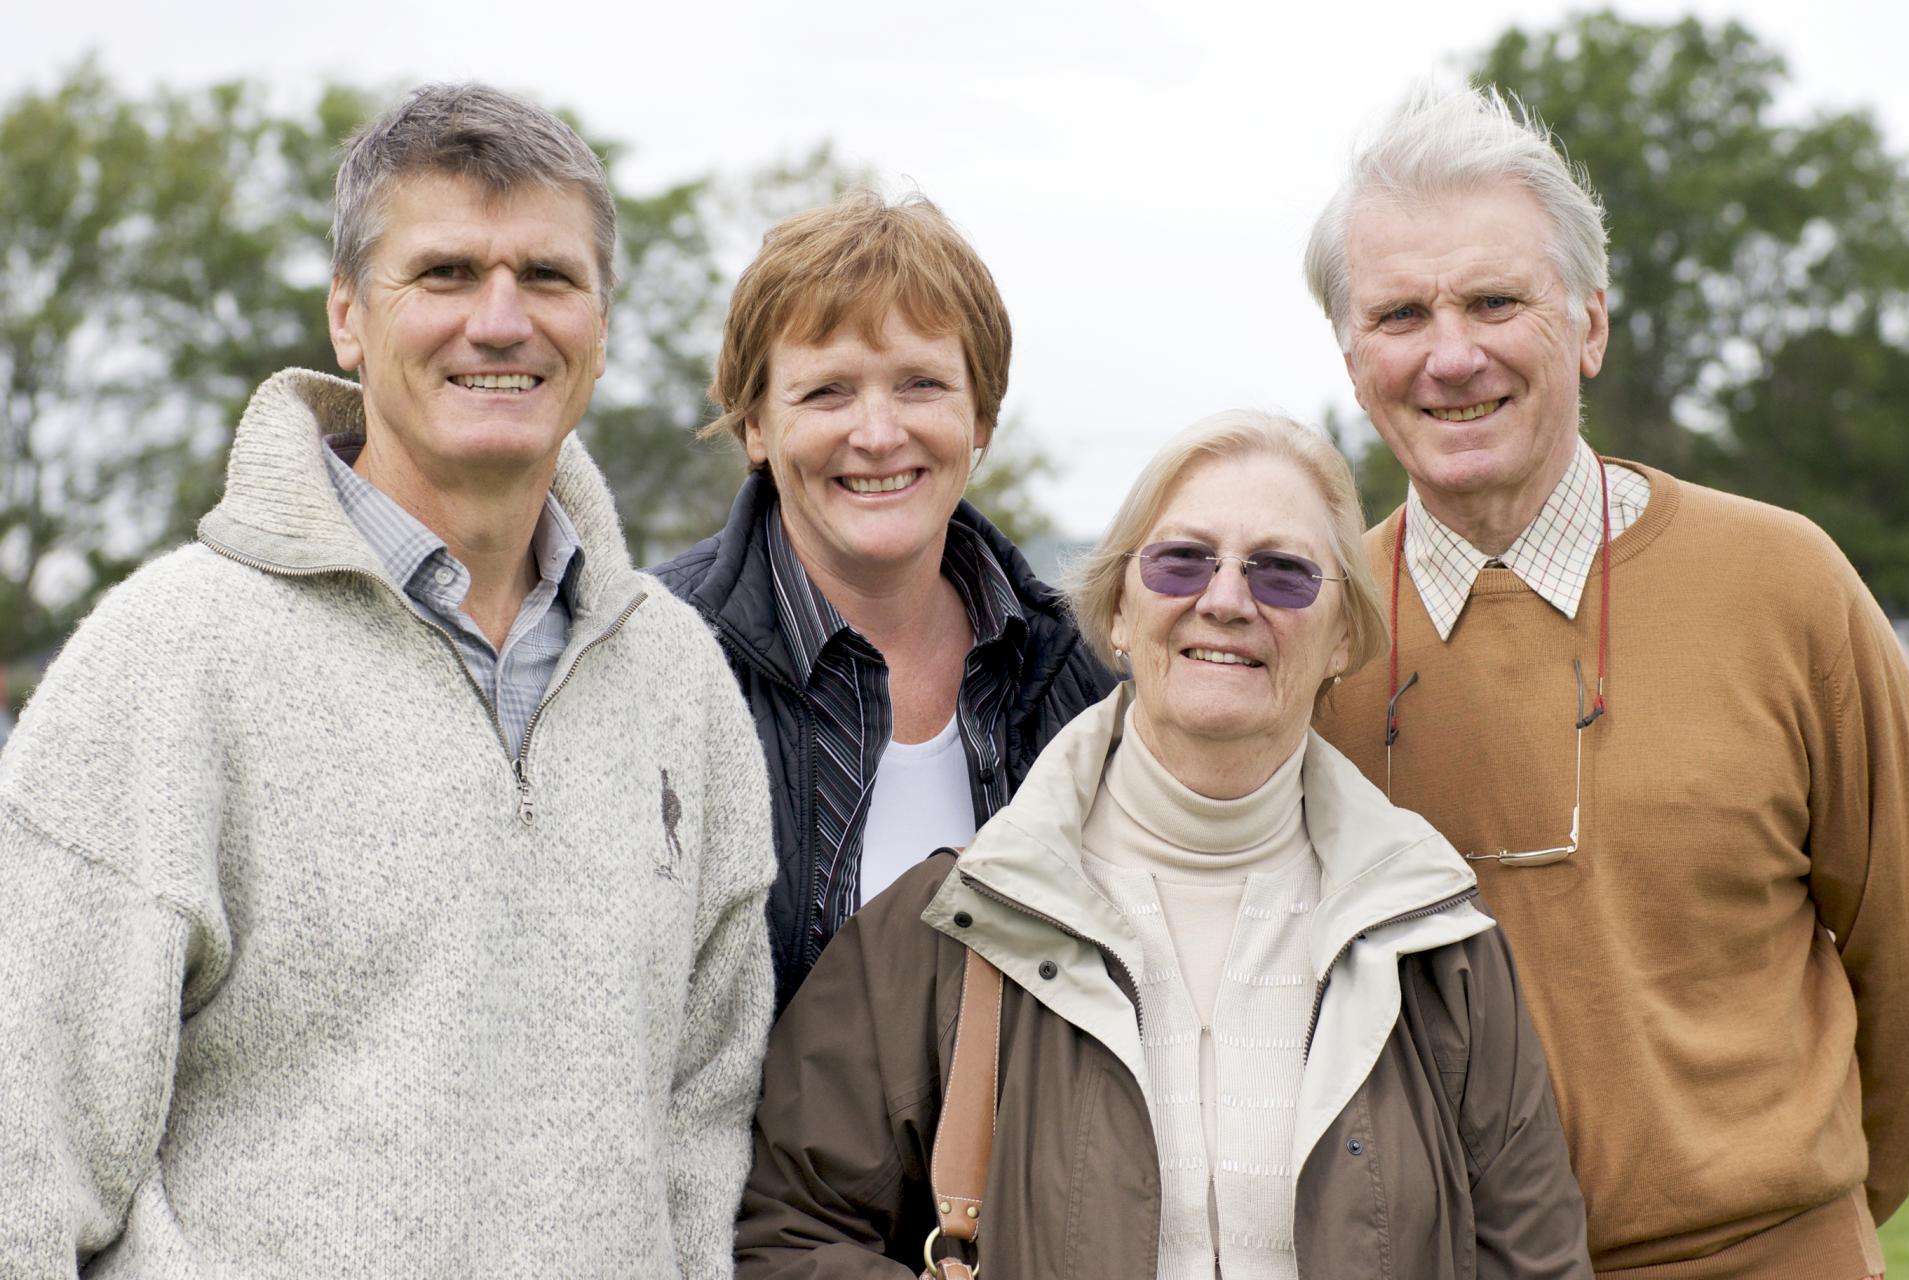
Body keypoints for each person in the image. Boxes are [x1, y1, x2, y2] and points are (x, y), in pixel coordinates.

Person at [0, 84, 774, 1275]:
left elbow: (699, 1131)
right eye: (448, 272)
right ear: (349, 316)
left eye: (550, 278)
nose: (502, 320)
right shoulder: (166, 659)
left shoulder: (682, 681)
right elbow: (25, 1161)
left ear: (603, 323)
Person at [735, 410, 1591, 1278]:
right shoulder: (949, 930)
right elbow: (780, 1242)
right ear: (1116, 610)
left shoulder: (1436, 942)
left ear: (1342, 638)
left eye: (1284, 574)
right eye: (1182, 560)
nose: (1225, 600)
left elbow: (1537, 1261)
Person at [1307, 85, 1909, 1279]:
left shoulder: (1783, 584)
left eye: (1495, 300)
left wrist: (1808, 1207)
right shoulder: (1306, 635)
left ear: (1588, 325)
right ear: (1352, 358)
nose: (1451, 353)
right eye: (1400, 313)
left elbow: (1908, 951)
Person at [652, 192, 1113, 1009]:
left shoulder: (1077, 675)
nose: (876, 433)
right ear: (756, 425)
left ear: (981, 417)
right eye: (827, 392)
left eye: (920, 384)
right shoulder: (651, 663)